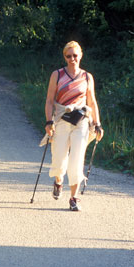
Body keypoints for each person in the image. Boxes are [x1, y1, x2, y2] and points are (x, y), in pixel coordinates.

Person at [44, 41, 104, 211]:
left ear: (80, 55)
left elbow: (92, 101)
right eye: (68, 56)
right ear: (64, 57)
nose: (72, 59)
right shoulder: (57, 75)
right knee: (59, 158)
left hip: (81, 121)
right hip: (62, 119)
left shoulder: (87, 77)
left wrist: (97, 123)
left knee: (77, 158)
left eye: (75, 55)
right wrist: (49, 121)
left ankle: (74, 198)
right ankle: (58, 181)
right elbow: (49, 100)